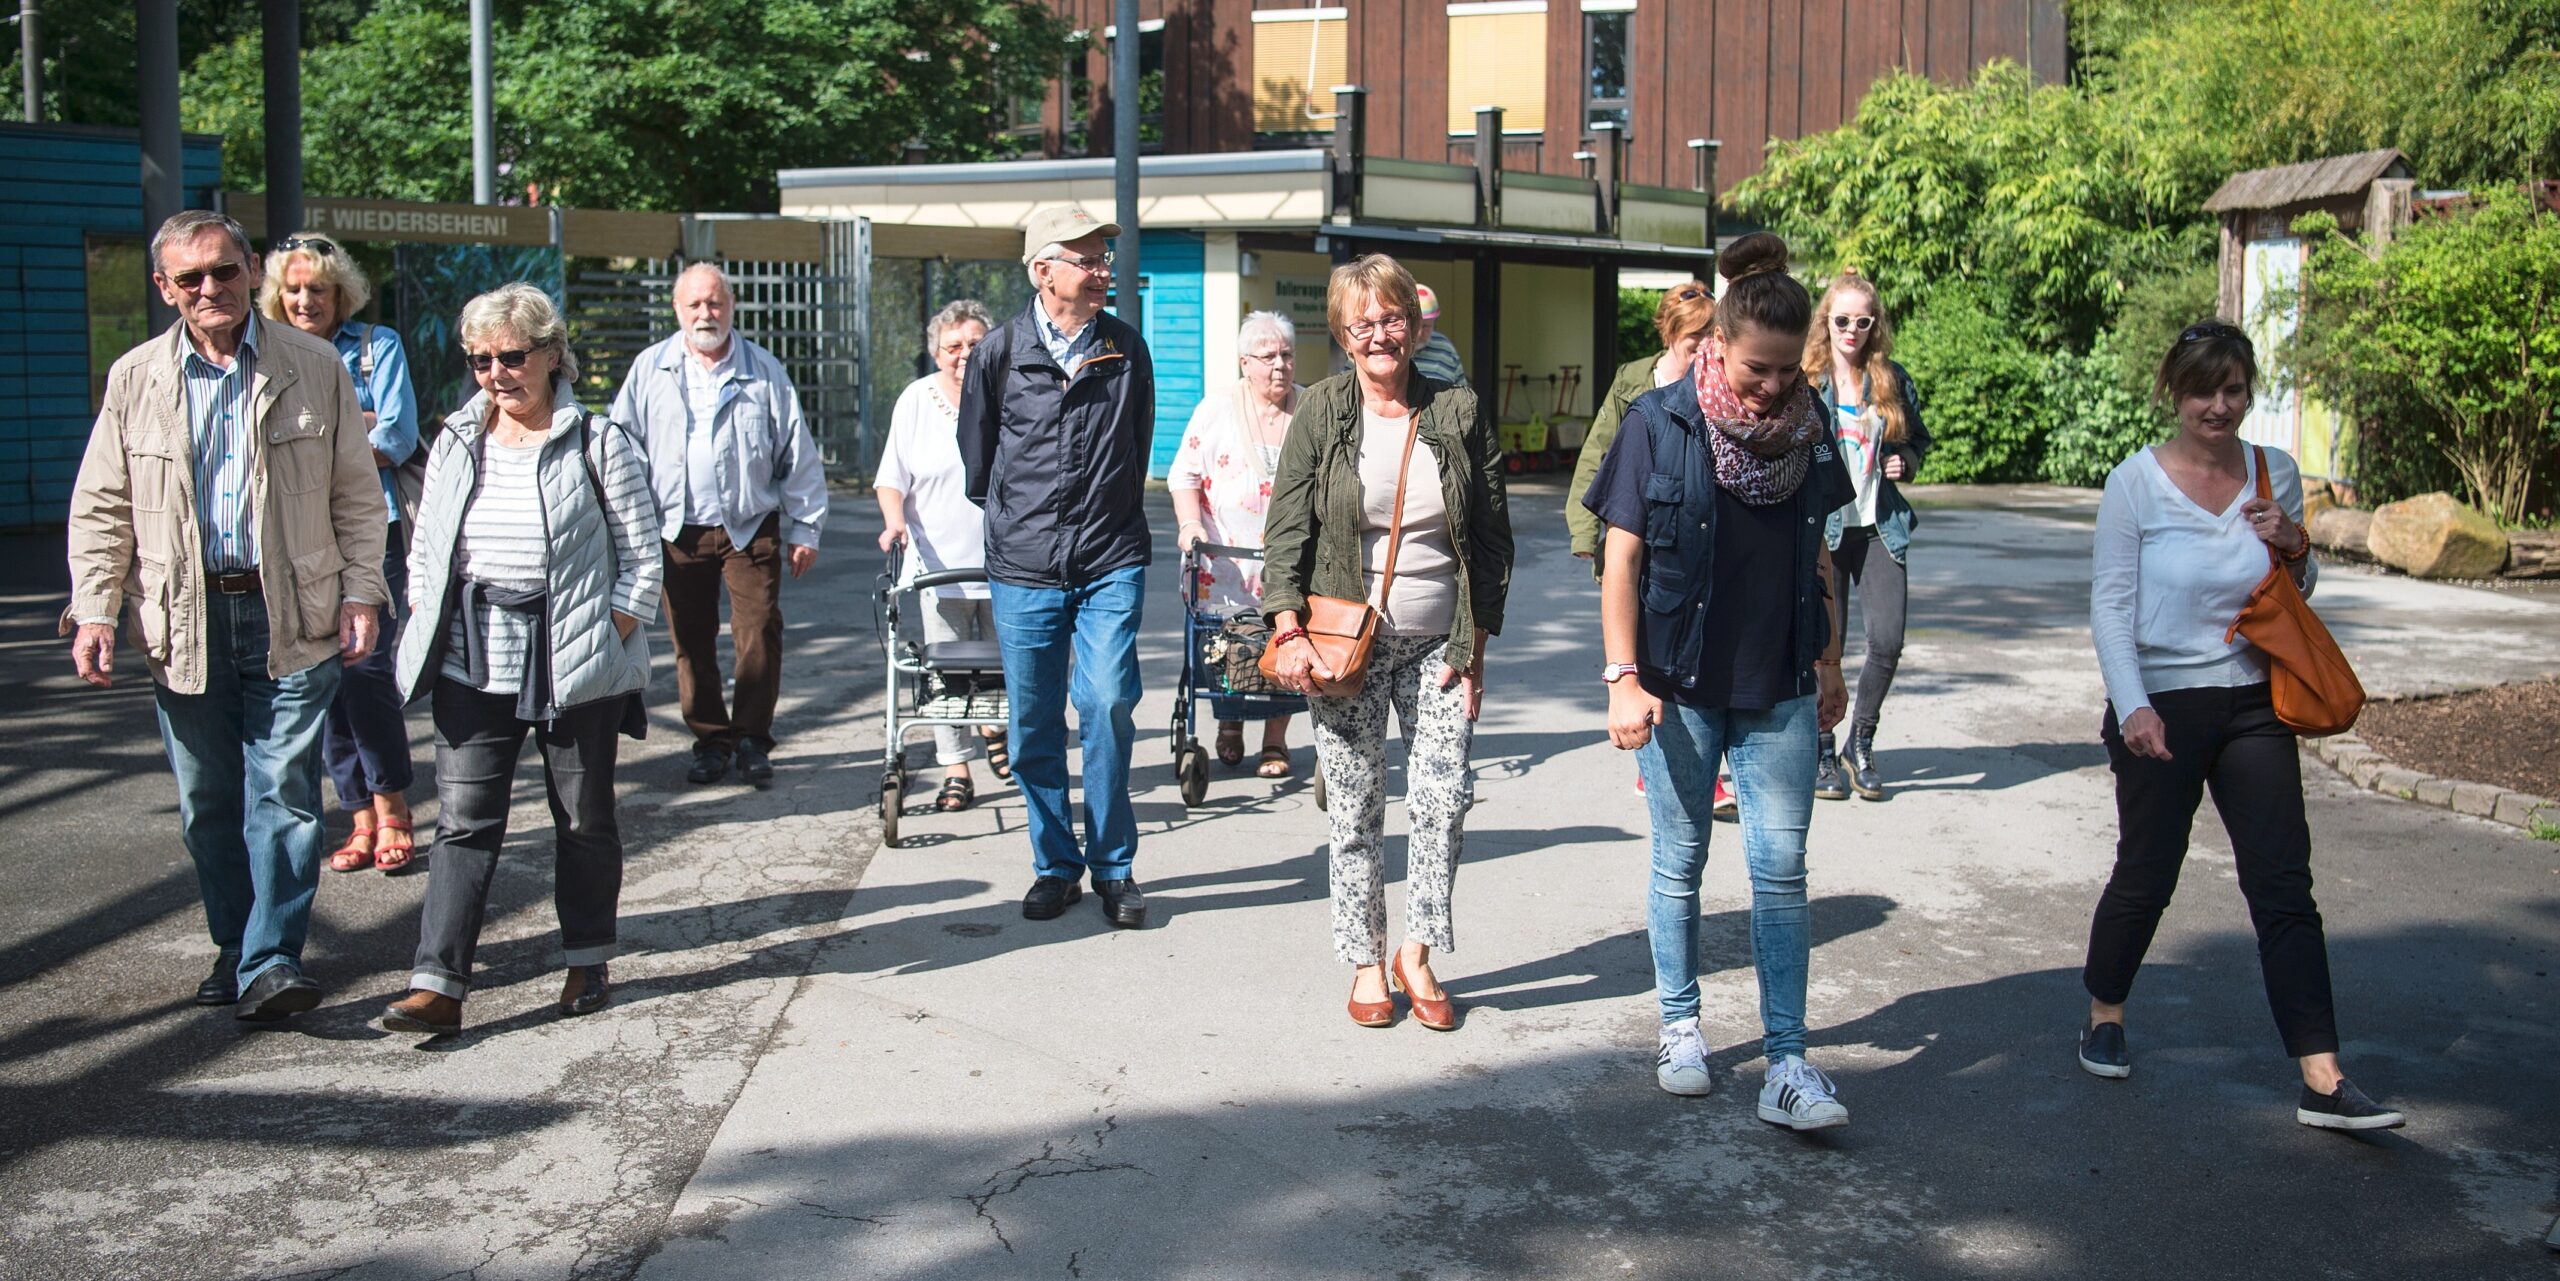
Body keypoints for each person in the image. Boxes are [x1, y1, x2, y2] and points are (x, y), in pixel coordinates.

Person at [2079, 321, 2403, 1131]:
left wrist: (2296, 542)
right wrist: (2134, 705)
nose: (2217, 406)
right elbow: (2111, 608)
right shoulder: (2136, 483)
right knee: (2148, 871)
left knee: (2283, 881)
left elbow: (2296, 588)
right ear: (2173, 392)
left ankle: (2323, 1076)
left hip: (2254, 697)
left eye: (2232, 389)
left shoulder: (2275, 471)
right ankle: (2105, 1013)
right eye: (2201, 390)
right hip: (2161, 700)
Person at [66, 210, 387, 1021]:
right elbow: (102, 507)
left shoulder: (315, 366)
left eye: (224, 270)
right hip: (184, 618)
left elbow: (357, 493)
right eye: (190, 277)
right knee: (206, 799)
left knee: (282, 791)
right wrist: (97, 609)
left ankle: (272, 958)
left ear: (251, 269)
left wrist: (362, 590)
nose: (210, 289)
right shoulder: (135, 378)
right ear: (164, 287)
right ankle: (235, 944)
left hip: (294, 610)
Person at [1587, 233, 1857, 1125]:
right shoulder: (1659, 422)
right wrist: (1623, 676)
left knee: (1781, 869)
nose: (1772, 387)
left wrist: (1829, 661)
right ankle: (1681, 1027)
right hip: (1678, 679)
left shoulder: (1812, 432)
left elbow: (1821, 551)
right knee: (1682, 860)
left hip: (1778, 676)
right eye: (1755, 368)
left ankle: (1787, 1063)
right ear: (1717, 345)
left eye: (1786, 370)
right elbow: (1620, 555)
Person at [380, 283, 662, 1036]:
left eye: (512, 356)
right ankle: (437, 982)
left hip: (573, 652)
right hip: (473, 655)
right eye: (480, 359)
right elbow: (428, 546)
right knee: (464, 821)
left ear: (551, 354)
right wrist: (422, 609)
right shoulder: (454, 440)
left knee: (584, 818)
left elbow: (641, 554)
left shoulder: (600, 441)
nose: (497, 373)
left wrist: (609, 631)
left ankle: (586, 958)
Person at [1263, 253, 1512, 1032]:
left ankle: (1419, 950)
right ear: (1341, 332)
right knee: (1357, 809)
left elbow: (1492, 537)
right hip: (1345, 649)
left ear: (1415, 322)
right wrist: (1288, 627)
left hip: (1440, 642)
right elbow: (1286, 531)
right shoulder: (1323, 411)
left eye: (1392, 317)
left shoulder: (1458, 410)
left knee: (1443, 798)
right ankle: (1367, 959)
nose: (1379, 334)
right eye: (1362, 322)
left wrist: (1475, 649)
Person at [959, 206, 1156, 929]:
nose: (1104, 269)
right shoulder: (1000, 353)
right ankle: (1054, 863)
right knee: (1034, 723)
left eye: (1105, 257)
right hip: (1025, 566)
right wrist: (1025, 524)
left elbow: (1135, 450)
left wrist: (1103, 519)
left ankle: (1113, 865)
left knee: (1105, 703)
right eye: (1088, 258)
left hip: (1109, 559)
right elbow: (978, 463)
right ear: (1043, 270)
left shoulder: (1127, 349)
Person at [613, 263, 827, 788]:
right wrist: (625, 524)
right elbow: (621, 445)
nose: (706, 314)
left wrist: (805, 529)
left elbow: (796, 453)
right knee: (691, 637)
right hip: (674, 528)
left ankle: (752, 738)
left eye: (715, 303)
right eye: (695, 305)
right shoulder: (650, 369)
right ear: (677, 310)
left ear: (731, 305)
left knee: (757, 634)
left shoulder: (764, 370)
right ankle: (711, 740)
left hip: (749, 525)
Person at [259, 231, 424, 874]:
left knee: (367, 672)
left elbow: (399, 435)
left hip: (368, 528)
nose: (305, 300)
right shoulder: (268, 354)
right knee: (320, 678)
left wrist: (314, 438)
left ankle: (395, 807)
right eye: (294, 289)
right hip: (293, 536)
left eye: (318, 290)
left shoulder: (377, 346)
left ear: (341, 295)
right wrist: (351, 424)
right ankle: (358, 817)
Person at [1567, 282, 1728, 812]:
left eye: (1713, 336)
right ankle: (1659, 761)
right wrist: (1585, 532)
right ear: (1670, 334)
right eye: (1694, 338)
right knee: (1637, 652)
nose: (1705, 348)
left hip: (1686, 536)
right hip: (1633, 531)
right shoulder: (1635, 381)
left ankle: (1693, 764)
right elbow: (1599, 451)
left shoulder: (1722, 388)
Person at [876, 299, 1009, 811]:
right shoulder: (916, 400)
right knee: (948, 674)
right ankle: (956, 768)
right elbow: (892, 478)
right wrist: (894, 523)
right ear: (935, 353)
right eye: (953, 346)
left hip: (1006, 563)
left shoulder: (1007, 393)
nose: (964, 354)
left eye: (975, 344)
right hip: (937, 568)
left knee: (1004, 668)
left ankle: (997, 730)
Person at [1805, 271, 1929, 803]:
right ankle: (1822, 748)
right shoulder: (1807, 380)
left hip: (1879, 525)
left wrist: (1909, 459)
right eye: (1842, 320)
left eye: (1862, 321)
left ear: (1874, 325)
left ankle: (1862, 739)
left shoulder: (1890, 379)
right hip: (1827, 531)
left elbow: (1918, 439)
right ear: (1825, 322)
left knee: (1888, 640)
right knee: (1825, 647)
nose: (1851, 330)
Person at [1169, 310, 1305, 778]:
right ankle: (1229, 726)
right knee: (1224, 644)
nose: (1280, 365)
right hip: (1223, 562)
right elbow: (1183, 474)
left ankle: (1275, 740)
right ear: (1245, 362)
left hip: (1289, 562)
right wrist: (1190, 525)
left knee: (1284, 642)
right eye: (1268, 357)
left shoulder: (1310, 409)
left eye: (1287, 355)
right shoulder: (1216, 408)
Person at [1411, 283, 1467, 387]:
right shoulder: (1393, 348)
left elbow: (1462, 391)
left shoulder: (1444, 347)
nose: (1419, 334)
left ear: (1434, 324)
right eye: (1415, 326)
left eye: (1426, 326)